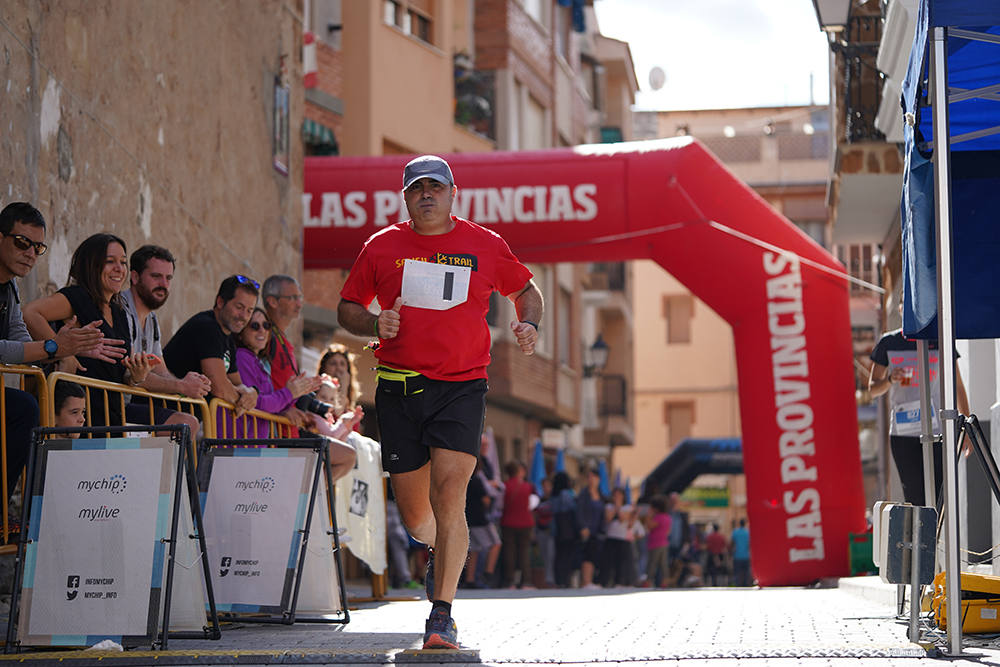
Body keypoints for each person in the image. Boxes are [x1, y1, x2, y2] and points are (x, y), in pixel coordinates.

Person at [337, 154, 542, 649]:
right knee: (416, 517)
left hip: (461, 387)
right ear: (405, 198)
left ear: (454, 193)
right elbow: (347, 307)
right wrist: (374, 323)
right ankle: (438, 551)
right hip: (400, 388)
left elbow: (526, 290)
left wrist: (529, 323)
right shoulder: (381, 247)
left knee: (450, 496)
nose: (426, 194)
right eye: (416, 188)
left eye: (436, 186)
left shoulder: (484, 245)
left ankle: (442, 615)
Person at [0, 204, 123, 495]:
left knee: (23, 409)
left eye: (38, 248)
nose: (30, 253)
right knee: (25, 408)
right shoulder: (76, 296)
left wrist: (66, 348)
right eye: (22, 243)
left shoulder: (10, 287)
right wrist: (56, 346)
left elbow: (20, 337)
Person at [23, 233, 154, 427]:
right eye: (110, 261)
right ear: (92, 265)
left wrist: (136, 375)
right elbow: (30, 313)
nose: (119, 269)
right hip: (78, 421)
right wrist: (62, 351)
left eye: (123, 262)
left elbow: (119, 371)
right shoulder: (77, 297)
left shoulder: (119, 311)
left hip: (111, 419)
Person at [235, 307, 357, 479]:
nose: (262, 330)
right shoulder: (242, 357)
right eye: (254, 326)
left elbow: (266, 401)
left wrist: (289, 403)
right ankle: (314, 496)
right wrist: (289, 394)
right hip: (253, 445)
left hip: (265, 442)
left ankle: (314, 495)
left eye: (266, 325)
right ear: (241, 332)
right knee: (346, 456)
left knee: (346, 456)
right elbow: (257, 403)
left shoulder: (259, 362)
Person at [868, 322, 970, 505]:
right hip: (904, 433)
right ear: (901, 309)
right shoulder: (889, 342)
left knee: (940, 498)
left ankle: (937, 534)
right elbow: (873, 389)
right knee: (916, 499)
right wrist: (890, 379)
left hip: (938, 431)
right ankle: (921, 533)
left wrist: (967, 426)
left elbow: (958, 385)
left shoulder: (940, 339)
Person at [120, 244, 208, 437]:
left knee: (191, 417)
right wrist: (182, 386)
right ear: (134, 277)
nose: (164, 284)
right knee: (185, 424)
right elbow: (131, 373)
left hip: (129, 403)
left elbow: (160, 370)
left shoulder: (151, 319)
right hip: (110, 406)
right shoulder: (121, 309)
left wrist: (187, 385)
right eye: (156, 276)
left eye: (168, 278)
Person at [162, 275, 259, 417]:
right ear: (220, 302)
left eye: (250, 311)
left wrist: (252, 392)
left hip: (183, 421)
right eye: (239, 307)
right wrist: (243, 401)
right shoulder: (207, 328)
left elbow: (237, 383)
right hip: (160, 417)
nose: (244, 316)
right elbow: (219, 387)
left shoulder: (227, 338)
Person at [261, 274, 312, 428]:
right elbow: (257, 385)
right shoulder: (263, 337)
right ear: (273, 301)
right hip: (272, 428)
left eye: (300, 297)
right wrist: (280, 410)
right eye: (292, 298)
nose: (299, 304)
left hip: (290, 425)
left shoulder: (281, 339)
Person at [463, 457, 500, 589]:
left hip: (467, 518)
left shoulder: (464, 480)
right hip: (480, 520)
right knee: (495, 543)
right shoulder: (477, 480)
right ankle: (488, 573)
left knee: (474, 549)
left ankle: (470, 579)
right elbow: (486, 500)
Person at [500, 460, 535, 589]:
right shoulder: (528, 487)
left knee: (509, 552)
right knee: (524, 553)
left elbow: (500, 505)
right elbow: (531, 504)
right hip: (525, 522)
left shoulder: (505, 486)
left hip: (508, 522)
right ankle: (526, 581)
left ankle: (510, 581)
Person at [576, 466, 606, 590]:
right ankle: (586, 581)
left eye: (593, 477)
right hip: (587, 529)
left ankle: (590, 581)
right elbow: (579, 511)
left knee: (594, 555)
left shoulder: (601, 494)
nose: (591, 480)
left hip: (597, 530)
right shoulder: (584, 494)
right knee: (587, 555)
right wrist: (582, 526)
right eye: (589, 477)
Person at [599, 487, 634, 587]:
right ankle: (605, 581)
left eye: (619, 495)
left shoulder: (627, 508)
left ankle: (619, 582)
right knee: (608, 561)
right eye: (615, 495)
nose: (617, 497)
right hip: (610, 537)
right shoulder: (609, 506)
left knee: (621, 561)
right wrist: (615, 506)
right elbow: (608, 518)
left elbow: (623, 519)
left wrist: (618, 507)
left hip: (622, 538)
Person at [318, 343, 362, 413]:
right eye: (333, 363)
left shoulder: (349, 411)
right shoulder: (315, 389)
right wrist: (343, 387)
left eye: (342, 364)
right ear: (323, 367)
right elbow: (336, 413)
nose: (339, 368)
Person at [643, 495, 671, 588]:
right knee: (663, 564)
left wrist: (648, 516)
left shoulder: (658, 517)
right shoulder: (667, 517)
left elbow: (649, 526)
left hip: (655, 544)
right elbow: (668, 531)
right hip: (664, 543)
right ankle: (665, 581)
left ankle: (648, 581)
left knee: (652, 563)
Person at [730, 518, 751, 587]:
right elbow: (750, 544)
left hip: (737, 556)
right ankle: (746, 584)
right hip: (746, 556)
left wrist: (731, 554)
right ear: (744, 524)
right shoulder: (747, 533)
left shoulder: (735, 532)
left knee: (737, 572)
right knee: (746, 572)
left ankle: (738, 584)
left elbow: (732, 544)